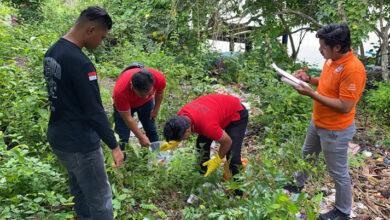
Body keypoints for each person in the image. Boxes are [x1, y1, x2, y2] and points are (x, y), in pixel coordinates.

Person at [43, 6, 123, 220]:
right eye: (102, 36)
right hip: (81, 145)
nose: (101, 42)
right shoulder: (81, 63)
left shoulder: (53, 51)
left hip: (60, 139)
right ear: (90, 30)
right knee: (101, 199)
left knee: (79, 190)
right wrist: (114, 146)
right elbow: (94, 112)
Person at [284, 23, 366, 220]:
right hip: (318, 122)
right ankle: (297, 184)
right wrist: (309, 79)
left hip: (335, 129)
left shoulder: (353, 69)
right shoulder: (331, 60)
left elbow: (345, 105)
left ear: (337, 47)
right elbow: (327, 84)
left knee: (337, 170)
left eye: (323, 46)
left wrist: (312, 95)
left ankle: (343, 211)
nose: (320, 50)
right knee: (307, 155)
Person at [161, 94, 248, 191]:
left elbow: (227, 142)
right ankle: (203, 175)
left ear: (188, 131)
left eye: (181, 139)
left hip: (236, 112)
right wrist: (174, 141)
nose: (181, 141)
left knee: (232, 155)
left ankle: (239, 191)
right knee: (201, 144)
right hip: (215, 111)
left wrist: (218, 159)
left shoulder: (208, 126)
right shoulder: (180, 117)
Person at [112, 63, 166, 154]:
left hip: (146, 105)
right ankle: (120, 163)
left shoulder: (158, 77)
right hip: (126, 105)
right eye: (141, 94)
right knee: (122, 136)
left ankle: (158, 157)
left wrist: (155, 110)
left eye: (149, 93)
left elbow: (160, 92)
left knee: (151, 129)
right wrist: (140, 137)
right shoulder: (120, 92)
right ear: (132, 86)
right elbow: (128, 119)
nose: (145, 96)